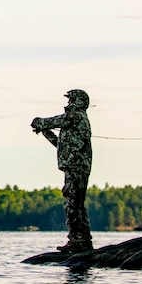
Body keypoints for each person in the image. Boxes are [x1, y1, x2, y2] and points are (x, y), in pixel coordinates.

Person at [31, 89, 93, 253]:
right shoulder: (73, 120)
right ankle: (81, 240)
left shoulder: (76, 116)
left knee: (73, 204)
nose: (68, 103)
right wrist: (45, 131)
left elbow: (58, 120)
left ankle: (78, 241)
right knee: (74, 203)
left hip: (77, 167)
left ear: (78, 101)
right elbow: (61, 146)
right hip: (73, 167)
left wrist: (40, 122)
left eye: (71, 100)